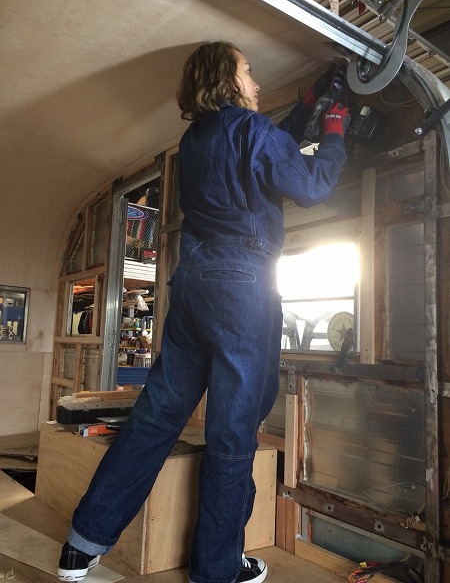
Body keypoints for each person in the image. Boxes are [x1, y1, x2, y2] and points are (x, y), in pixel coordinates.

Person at [57, 41, 350, 583]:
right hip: (243, 287)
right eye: (248, 71)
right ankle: (216, 570)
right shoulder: (253, 131)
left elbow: (264, 147)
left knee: (155, 417)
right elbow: (310, 184)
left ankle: (82, 544)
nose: (256, 82)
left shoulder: (194, 140)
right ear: (227, 79)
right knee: (233, 434)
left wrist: (309, 102)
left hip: (192, 284)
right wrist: (334, 129)